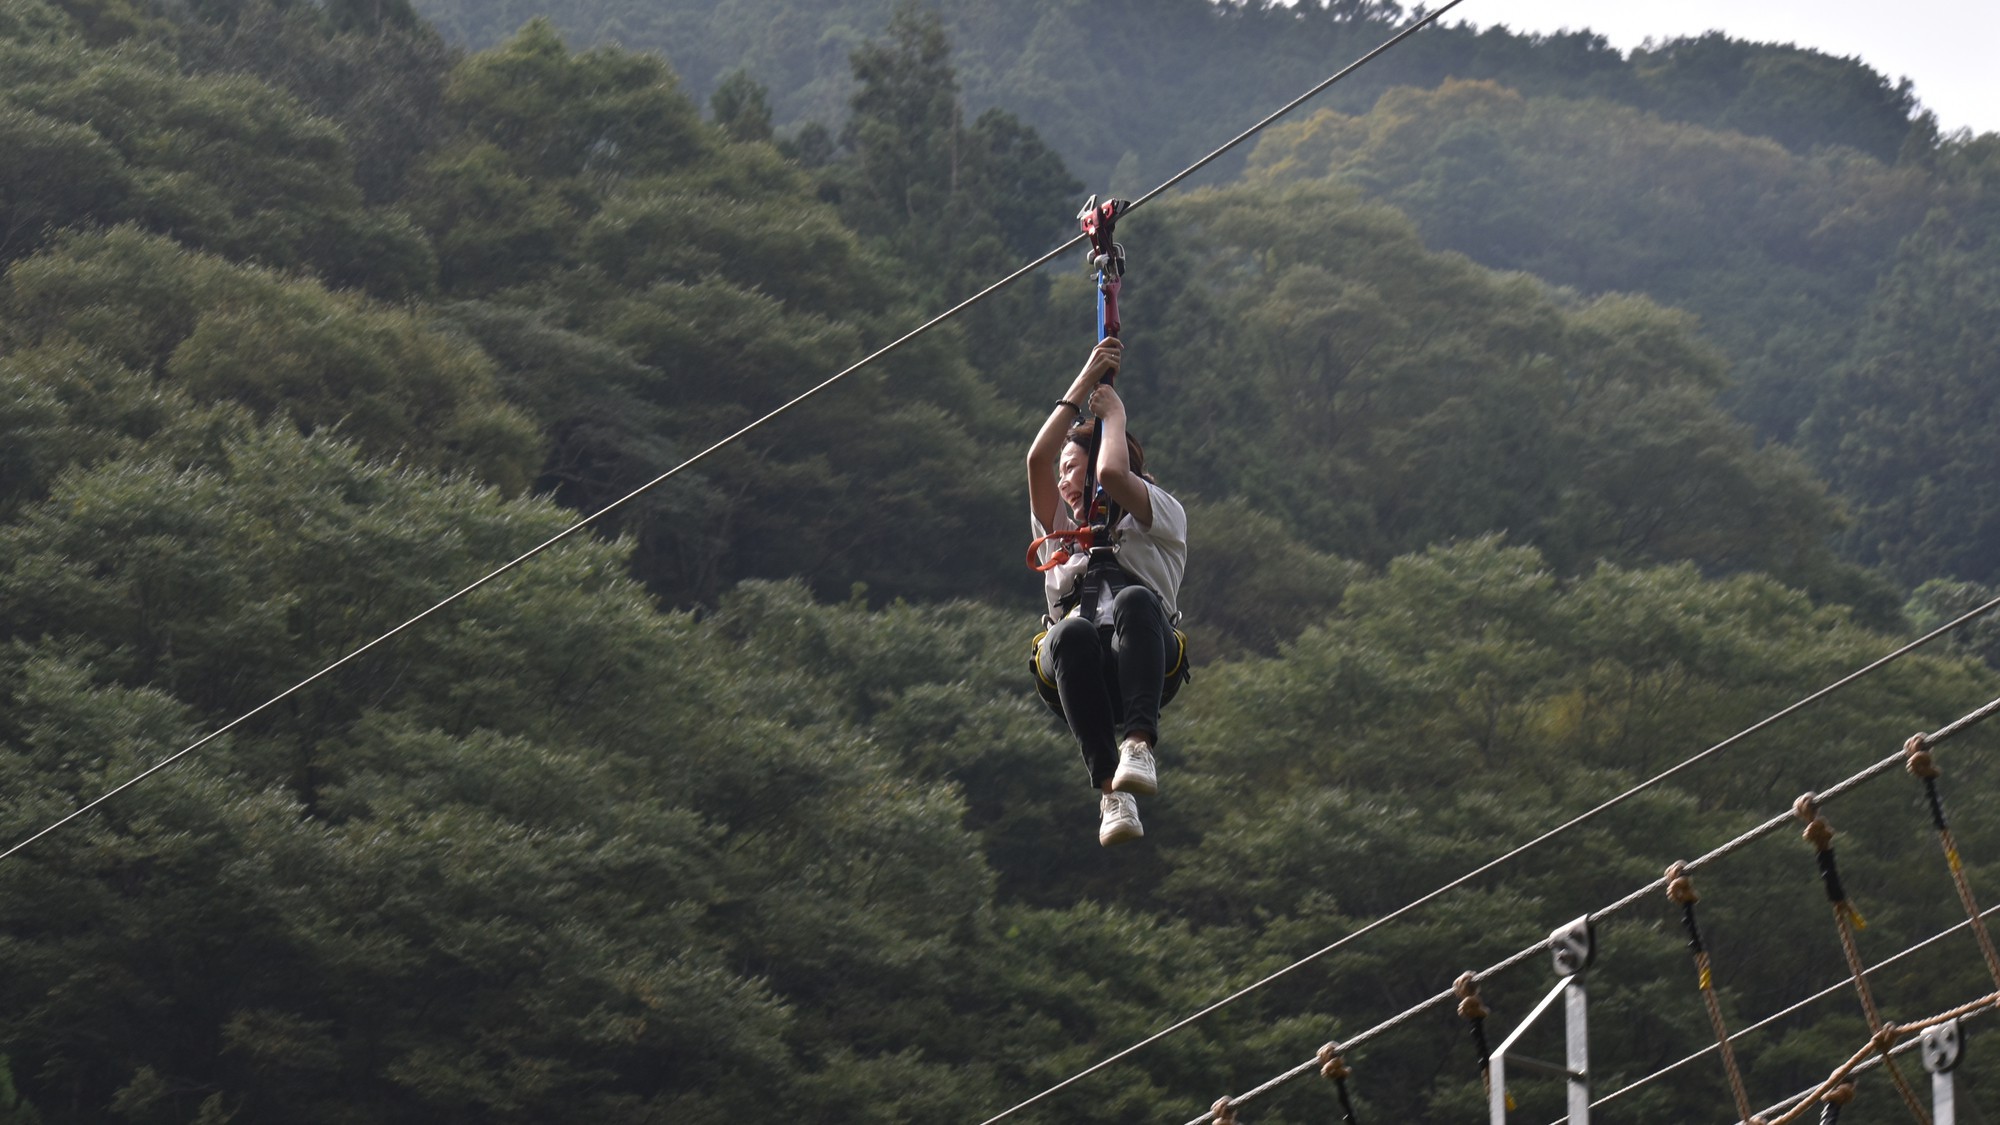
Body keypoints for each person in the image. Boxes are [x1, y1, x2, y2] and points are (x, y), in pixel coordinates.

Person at [1027, 336, 1188, 846]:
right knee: (1070, 631)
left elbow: (1114, 473)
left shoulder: (1159, 517)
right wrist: (1084, 380)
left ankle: (1138, 745)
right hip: (1079, 671)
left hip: (1140, 659)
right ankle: (1110, 793)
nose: (1065, 482)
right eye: (1065, 473)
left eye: (1074, 470)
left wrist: (1112, 414)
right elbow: (1036, 459)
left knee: (1134, 599)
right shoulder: (1058, 534)